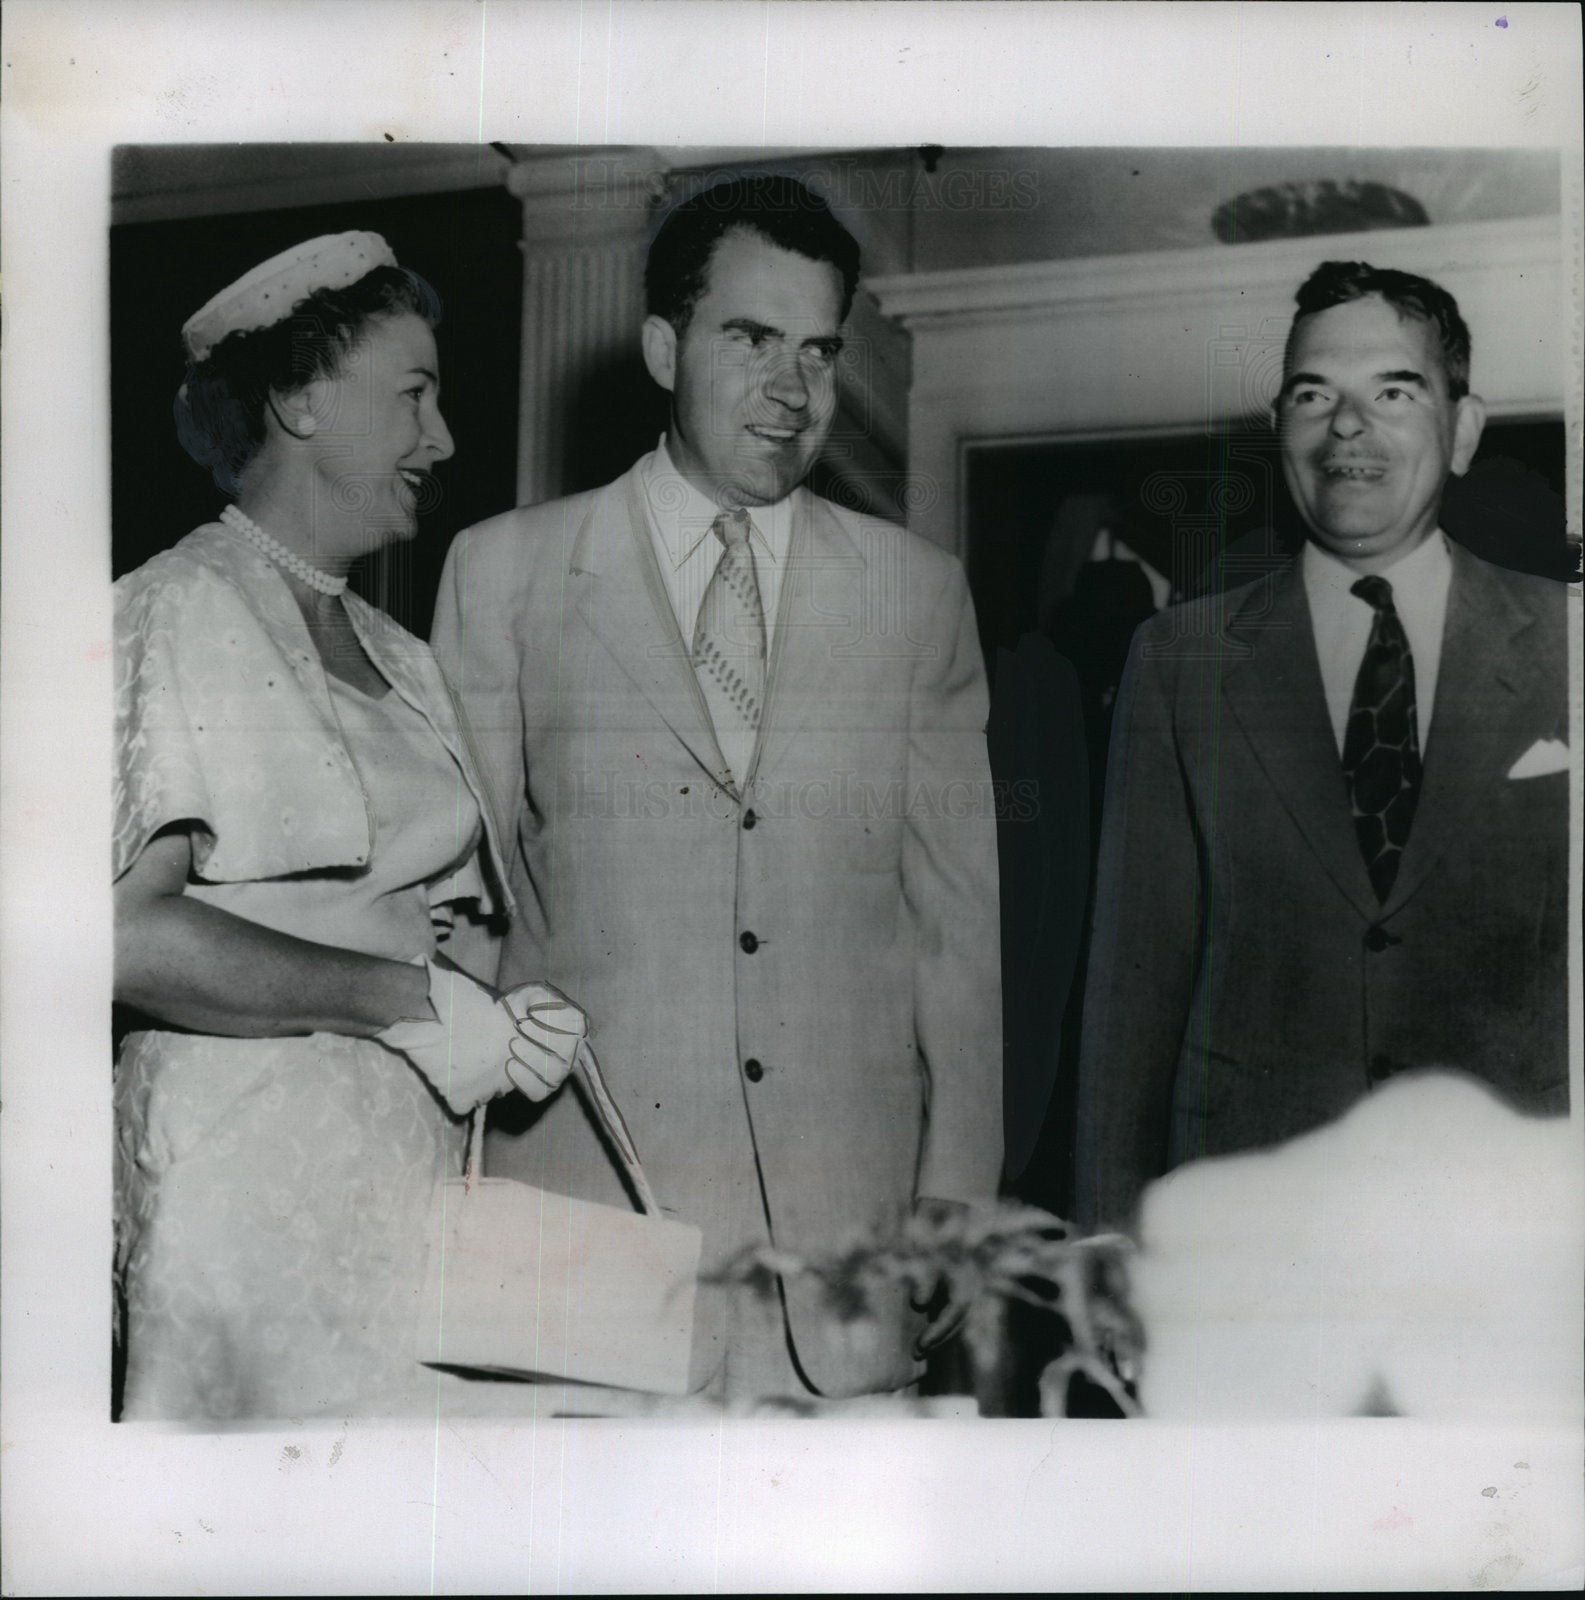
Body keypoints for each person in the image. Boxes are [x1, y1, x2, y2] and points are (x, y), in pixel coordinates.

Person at [432, 176, 1003, 1403]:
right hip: (582, 1226)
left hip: (841, 1259)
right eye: (749, 338)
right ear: (661, 347)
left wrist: (955, 1185)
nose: (792, 390)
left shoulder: (918, 594)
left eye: (817, 350)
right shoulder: (503, 576)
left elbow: (956, 925)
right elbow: (471, 913)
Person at [113, 233, 587, 1421]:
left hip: (407, 1186)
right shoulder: (172, 609)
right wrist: (412, 1001)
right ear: (298, 397)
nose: (445, 440)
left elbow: (433, 919)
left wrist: (502, 1008)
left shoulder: (401, 654)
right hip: (246, 1192)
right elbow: (123, 937)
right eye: (415, 396)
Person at [1074, 260, 1572, 1231]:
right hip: (1245, 1233)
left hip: (1515, 1232)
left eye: (1393, 390)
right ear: (1279, 431)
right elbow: (1130, 994)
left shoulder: (1570, 642)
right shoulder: (1178, 660)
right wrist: (1105, 1254)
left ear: (1462, 430)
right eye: (1313, 394)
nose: (1346, 426)